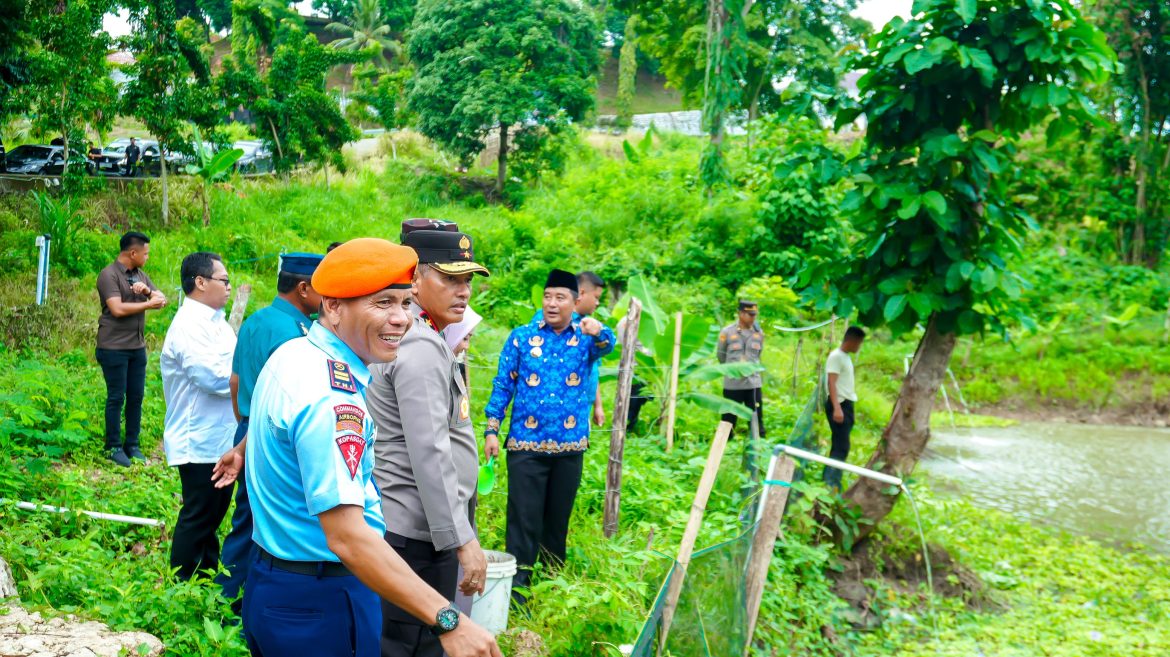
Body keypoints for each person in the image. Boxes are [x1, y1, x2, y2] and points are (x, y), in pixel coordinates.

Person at [213, 239, 498, 657]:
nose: (400, 319)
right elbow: (348, 536)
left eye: (405, 302)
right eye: (382, 303)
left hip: (275, 581)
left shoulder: (294, 354)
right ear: (333, 307)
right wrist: (447, 619)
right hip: (322, 598)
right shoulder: (333, 397)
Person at [367, 230, 489, 657]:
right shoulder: (418, 343)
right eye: (450, 279)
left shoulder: (428, 335)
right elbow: (430, 453)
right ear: (415, 280)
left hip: (422, 531)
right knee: (417, 646)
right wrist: (463, 539)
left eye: (468, 280)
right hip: (418, 538)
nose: (464, 291)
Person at [484, 269, 616, 602]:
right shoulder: (521, 337)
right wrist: (491, 429)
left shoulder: (585, 339)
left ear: (576, 302)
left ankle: (553, 586)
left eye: (560, 298)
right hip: (524, 448)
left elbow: (609, 345)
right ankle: (517, 593)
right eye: (547, 296)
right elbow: (503, 384)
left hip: (570, 448)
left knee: (557, 522)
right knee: (523, 520)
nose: (552, 304)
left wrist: (598, 330)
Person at [214, 253, 324, 608]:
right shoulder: (296, 335)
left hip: (246, 428)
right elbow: (286, 401)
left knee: (245, 519)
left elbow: (235, 381)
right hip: (270, 436)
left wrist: (243, 425)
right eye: (323, 289)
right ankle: (245, 603)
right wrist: (253, 435)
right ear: (304, 288)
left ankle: (224, 596)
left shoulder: (256, 319)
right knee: (273, 523)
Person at [161, 252, 237, 580]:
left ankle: (203, 580)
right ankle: (182, 586)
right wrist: (248, 376)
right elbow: (212, 377)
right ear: (201, 282)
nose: (229, 287)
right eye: (224, 280)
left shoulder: (216, 323)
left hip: (220, 436)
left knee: (212, 515)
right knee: (199, 515)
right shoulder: (189, 325)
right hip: (200, 438)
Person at [95, 231, 167, 467]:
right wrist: (148, 303)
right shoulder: (109, 275)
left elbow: (161, 299)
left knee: (136, 396)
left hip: (137, 346)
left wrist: (146, 292)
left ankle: (132, 444)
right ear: (132, 253)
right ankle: (113, 446)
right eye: (145, 253)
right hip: (113, 347)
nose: (147, 257)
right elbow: (116, 309)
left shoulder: (141, 275)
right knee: (117, 397)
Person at [824, 326, 866, 491]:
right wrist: (837, 408)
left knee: (841, 445)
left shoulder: (845, 357)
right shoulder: (836, 357)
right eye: (859, 343)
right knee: (841, 446)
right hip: (839, 404)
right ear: (852, 340)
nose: (859, 347)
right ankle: (831, 482)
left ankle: (833, 480)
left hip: (846, 404)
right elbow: (831, 383)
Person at [717, 300, 766, 438]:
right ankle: (724, 446)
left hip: (753, 384)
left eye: (754, 315)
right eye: (750, 315)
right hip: (733, 384)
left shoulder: (759, 333)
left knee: (756, 418)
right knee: (728, 419)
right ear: (741, 314)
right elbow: (721, 355)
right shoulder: (727, 332)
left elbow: (758, 355)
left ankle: (758, 446)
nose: (753, 318)